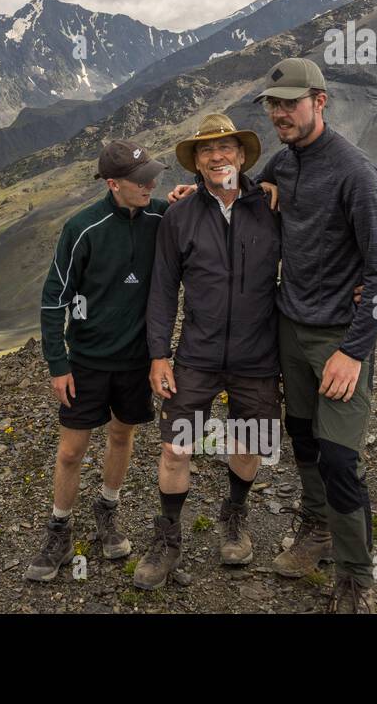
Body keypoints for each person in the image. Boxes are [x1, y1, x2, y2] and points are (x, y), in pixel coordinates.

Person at [169, 57, 377, 612]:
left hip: (337, 341)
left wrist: (353, 350)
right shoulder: (284, 164)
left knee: (342, 458)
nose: (280, 114)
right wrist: (189, 195)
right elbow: (236, 189)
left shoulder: (354, 172)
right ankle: (317, 533)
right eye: (273, 106)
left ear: (320, 102)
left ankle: (354, 580)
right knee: (303, 441)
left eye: (290, 104)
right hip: (288, 332)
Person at [136, 114, 282, 590]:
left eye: (226, 148)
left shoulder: (272, 205)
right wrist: (159, 354)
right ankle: (168, 538)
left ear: (241, 155)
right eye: (206, 151)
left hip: (258, 354)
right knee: (177, 446)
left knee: (248, 444)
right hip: (195, 355)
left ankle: (234, 516)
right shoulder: (180, 215)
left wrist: (361, 285)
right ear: (195, 164)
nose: (217, 156)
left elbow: (320, 245)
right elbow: (161, 288)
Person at [26, 140, 168, 582]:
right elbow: (54, 299)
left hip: (136, 361)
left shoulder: (163, 215)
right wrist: (57, 363)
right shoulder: (82, 228)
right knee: (71, 450)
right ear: (113, 184)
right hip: (86, 361)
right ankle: (59, 529)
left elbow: (206, 212)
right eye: (141, 180)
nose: (151, 185)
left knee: (122, 436)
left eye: (153, 177)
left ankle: (108, 508)